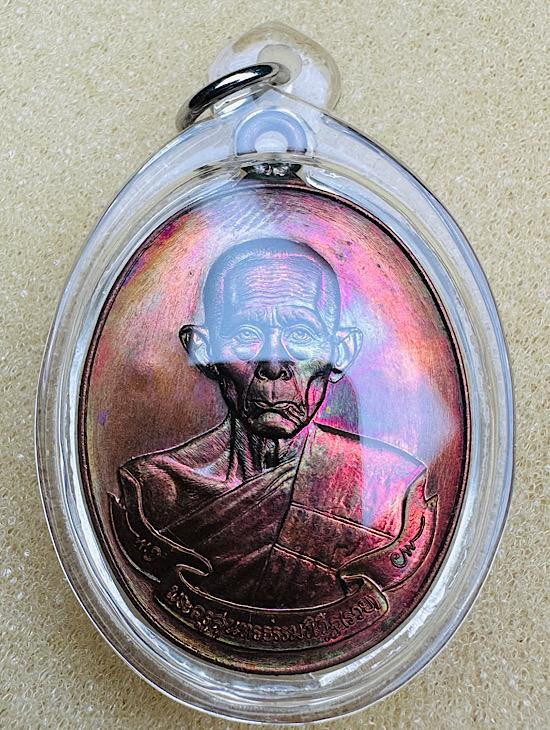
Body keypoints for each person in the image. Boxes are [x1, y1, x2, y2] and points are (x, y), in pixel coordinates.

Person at [112, 238, 428, 608]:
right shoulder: (155, 488)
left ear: (341, 352)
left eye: (301, 335)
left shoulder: (390, 487)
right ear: (204, 349)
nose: (274, 365)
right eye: (247, 335)